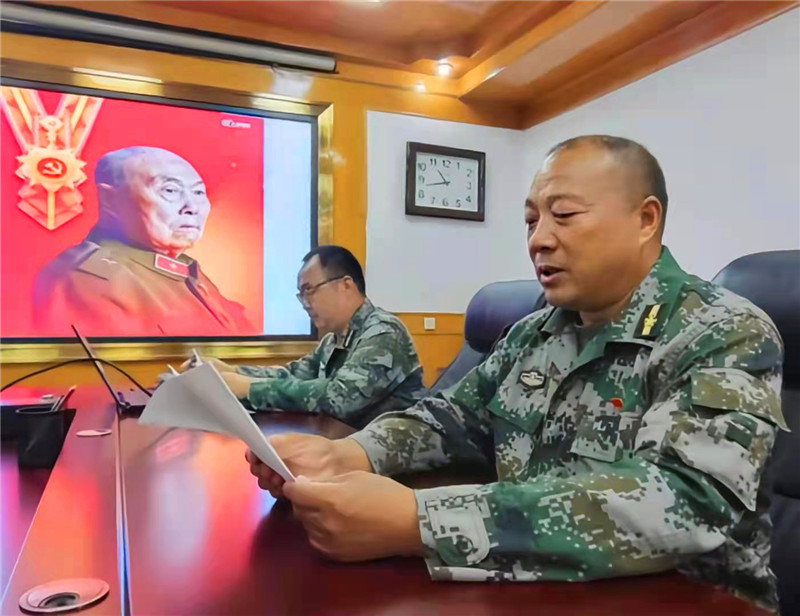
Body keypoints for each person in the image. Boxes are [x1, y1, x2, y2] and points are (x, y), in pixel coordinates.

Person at [245, 136, 786, 609]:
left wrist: (420, 521)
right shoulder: (534, 333)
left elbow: (683, 502)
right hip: (541, 587)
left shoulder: (722, 331)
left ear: (645, 220)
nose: (538, 239)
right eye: (531, 221)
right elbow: (452, 417)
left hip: (685, 602)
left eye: (563, 215)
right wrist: (352, 454)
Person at [33, 146, 253, 336]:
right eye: (170, 190)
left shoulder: (183, 269)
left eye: (198, 192)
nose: (192, 207)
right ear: (110, 199)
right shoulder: (89, 279)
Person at [208, 245, 426, 429]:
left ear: (346, 285)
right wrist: (232, 372)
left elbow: (340, 398)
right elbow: (294, 374)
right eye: (301, 294)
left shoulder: (384, 332)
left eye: (309, 290)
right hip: (341, 447)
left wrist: (249, 388)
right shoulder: (333, 340)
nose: (305, 303)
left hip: (390, 460)